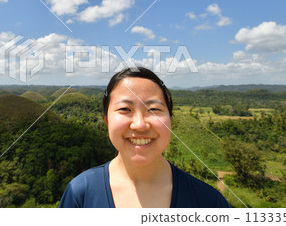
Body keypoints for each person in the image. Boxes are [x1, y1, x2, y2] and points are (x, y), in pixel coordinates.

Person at [58, 67, 230, 208]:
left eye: (154, 110)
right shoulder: (80, 194)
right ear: (107, 121)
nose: (139, 125)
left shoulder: (208, 202)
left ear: (171, 121)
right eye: (125, 109)